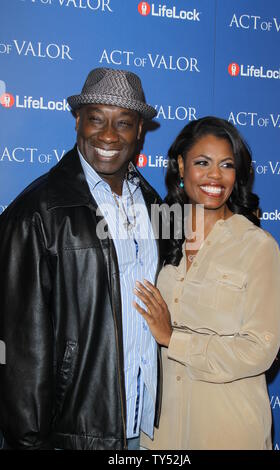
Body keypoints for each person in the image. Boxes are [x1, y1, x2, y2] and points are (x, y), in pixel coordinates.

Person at [0, 67, 165, 450]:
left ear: (139, 130)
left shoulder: (154, 205)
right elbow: (20, 347)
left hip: (144, 426)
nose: (108, 135)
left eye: (123, 122)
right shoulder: (36, 212)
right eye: (96, 119)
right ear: (78, 121)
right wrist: (28, 441)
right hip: (75, 432)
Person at [134, 116, 280, 450]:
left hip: (228, 431)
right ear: (180, 165)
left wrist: (174, 339)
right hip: (159, 435)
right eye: (202, 162)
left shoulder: (258, 247)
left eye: (227, 165)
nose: (215, 176)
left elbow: (259, 350)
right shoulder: (158, 235)